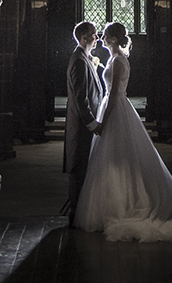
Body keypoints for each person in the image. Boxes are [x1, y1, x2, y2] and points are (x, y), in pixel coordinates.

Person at [74, 21, 172, 242]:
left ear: (113, 39)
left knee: (120, 157)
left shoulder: (119, 61)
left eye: (104, 35)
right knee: (113, 158)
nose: (101, 39)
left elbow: (114, 95)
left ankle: (124, 205)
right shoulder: (115, 59)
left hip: (116, 110)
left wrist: (103, 120)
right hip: (114, 108)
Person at [63, 20, 103, 219]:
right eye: (94, 34)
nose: (97, 38)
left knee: (83, 169)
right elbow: (80, 98)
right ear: (83, 37)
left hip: (85, 126)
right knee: (78, 170)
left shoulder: (85, 58)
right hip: (81, 127)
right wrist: (91, 122)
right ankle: (76, 214)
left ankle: (80, 211)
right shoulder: (79, 60)